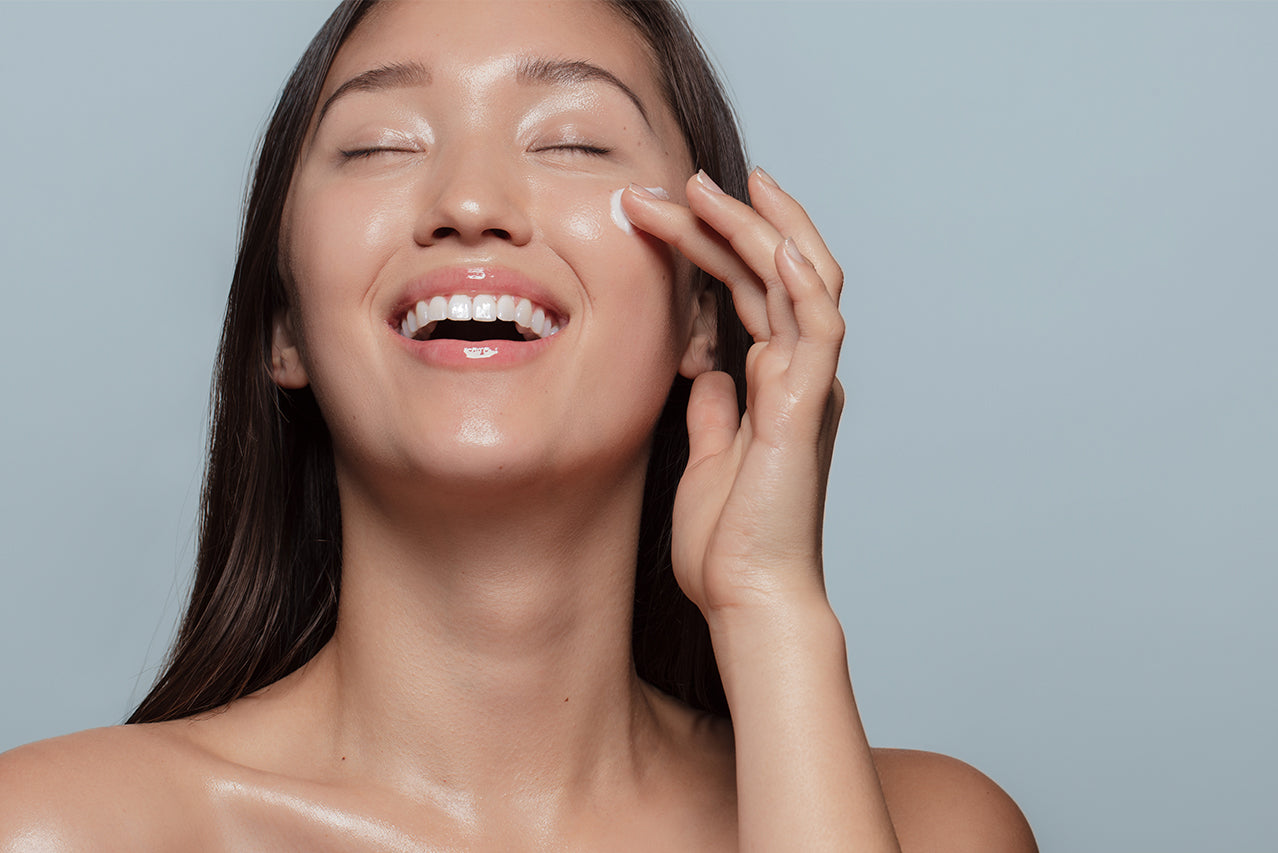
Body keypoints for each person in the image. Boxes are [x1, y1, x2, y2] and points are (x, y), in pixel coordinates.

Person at [0, 1, 1036, 849]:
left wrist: (769, 609)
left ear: (704, 307)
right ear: (286, 328)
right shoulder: (58, 829)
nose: (470, 199)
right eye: (379, 145)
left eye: (575, 139)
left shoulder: (935, 828)